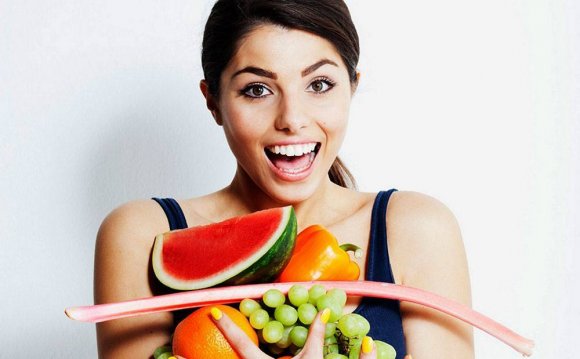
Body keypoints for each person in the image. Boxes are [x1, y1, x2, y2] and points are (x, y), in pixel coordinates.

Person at [93, 0, 474, 358]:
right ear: (213, 102)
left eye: (319, 84)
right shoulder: (142, 235)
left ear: (352, 86)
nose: (292, 118)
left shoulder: (418, 228)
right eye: (257, 90)